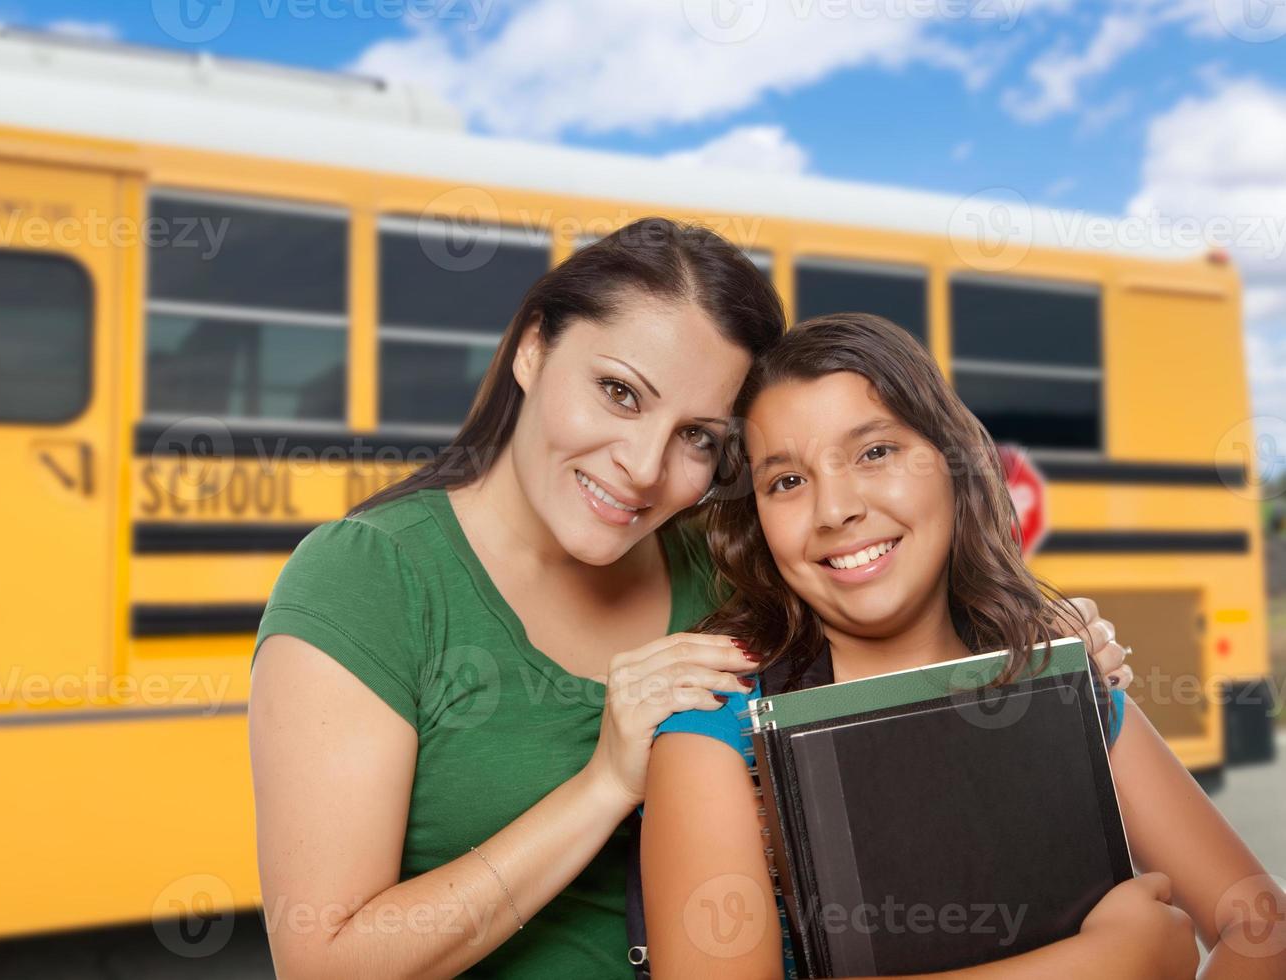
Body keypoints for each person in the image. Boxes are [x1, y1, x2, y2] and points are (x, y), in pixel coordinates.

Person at [248, 220, 1134, 979]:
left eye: (696, 438)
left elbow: (905, 704)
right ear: (530, 348)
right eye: (618, 392)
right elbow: (326, 962)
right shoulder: (369, 578)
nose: (641, 467)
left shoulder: (728, 567)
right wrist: (603, 786)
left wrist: (1037, 655)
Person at [641, 313, 1286, 979]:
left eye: (874, 452)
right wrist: (1101, 963)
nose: (833, 509)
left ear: (955, 466)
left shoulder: (1061, 679)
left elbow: (1263, 929)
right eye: (786, 481)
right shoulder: (716, 728)